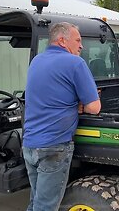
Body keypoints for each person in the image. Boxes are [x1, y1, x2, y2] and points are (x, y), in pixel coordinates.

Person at [22, 22, 101, 211]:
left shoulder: (36, 61)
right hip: (54, 147)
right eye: (78, 40)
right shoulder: (75, 63)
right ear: (62, 41)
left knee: (36, 202)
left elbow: (50, 96)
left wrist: (73, 104)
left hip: (30, 146)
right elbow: (94, 107)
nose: (81, 45)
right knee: (46, 207)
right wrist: (81, 104)